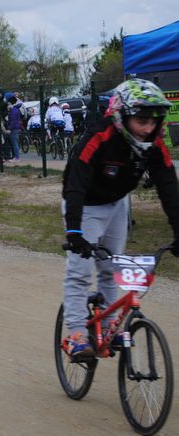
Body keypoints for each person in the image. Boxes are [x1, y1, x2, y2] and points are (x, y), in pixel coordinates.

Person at [61, 78, 179, 358]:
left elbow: (168, 187)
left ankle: (110, 326)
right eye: (141, 121)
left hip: (117, 204)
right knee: (79, 271)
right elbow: (75, 182)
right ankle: (77, 332)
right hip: (85, 204)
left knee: (111, 267)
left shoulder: (152, 142)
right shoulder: (99, 135)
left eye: (153, 121)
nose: (148, 128)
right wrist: (74, 232)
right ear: (122, 116)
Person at [6, 94, 23, 162]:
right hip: (15, 127)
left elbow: (13, 120)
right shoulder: (15, 109)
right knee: (15, 142)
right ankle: (16, 157)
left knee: (14, 143)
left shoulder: (13, 110)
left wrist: (9, 128)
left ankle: (17, 158)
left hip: (13, 128)